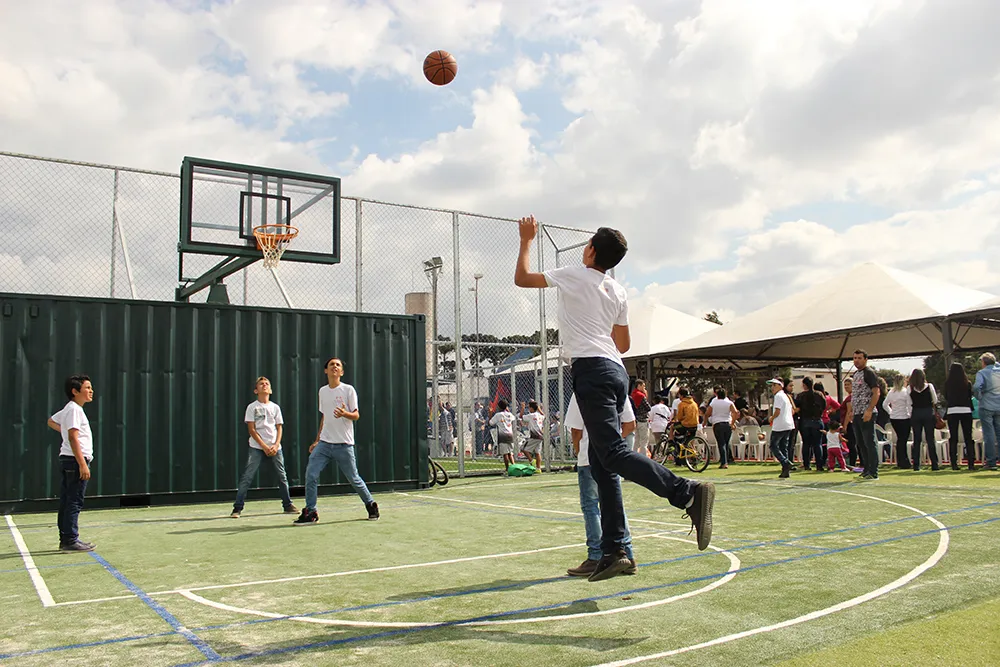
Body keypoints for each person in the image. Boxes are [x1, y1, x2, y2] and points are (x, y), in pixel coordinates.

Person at [514, 215, 715, 583]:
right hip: (615, 368)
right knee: (601, 462)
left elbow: (522, 279)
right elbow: (623, 345)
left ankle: (687, 493)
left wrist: (527, 240)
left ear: (590, 250)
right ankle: (615, 550)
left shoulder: (574, 274)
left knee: (612, 455)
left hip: (592, 369)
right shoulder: (617, 290)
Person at [295, 357, 379, 525]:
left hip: (344, 444)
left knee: (353, 478)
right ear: (326, 371)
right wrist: (317, 440)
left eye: (338, 365)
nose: (334, 367)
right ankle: (311, 512)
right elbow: (324, 417)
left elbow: (356, 415)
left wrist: (344, 414)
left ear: (341, 372)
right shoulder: (322, 391)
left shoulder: (348, 390)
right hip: (324, 444)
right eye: (331, 365)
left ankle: (370, 504)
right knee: (311, 474)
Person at [565, 393, 638, 579]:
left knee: (591, 507)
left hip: (589, 457)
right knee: (615, 504)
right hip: (612, 456)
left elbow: (576, 430)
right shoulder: (616, 388)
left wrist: (580, 452)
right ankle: (627, 555)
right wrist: (611, 442)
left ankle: (596, 556)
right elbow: (630, 424)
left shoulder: (581, 390)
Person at [231, 377, 297, 518]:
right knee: (247, 477)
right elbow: (252, 430)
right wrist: (264, 446)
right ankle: (237, 508)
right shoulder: (252, 407)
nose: (265, 386)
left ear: (271, 390)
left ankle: (288, 505)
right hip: (257, 447)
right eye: (261, 384)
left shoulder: (275, 408)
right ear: (256, 390)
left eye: (267, 384)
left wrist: (275, 444)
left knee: (282, 476)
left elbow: (279, 428)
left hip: (275, 447)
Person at [47, 375, 97, 552]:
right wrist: (82, 464)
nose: (91, 391)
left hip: (69, 460)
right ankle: (70, 540)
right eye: (87, 388)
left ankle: (67, 538)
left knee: (68, 501)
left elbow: (51, 421)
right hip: (75, 461)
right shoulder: (74, 410)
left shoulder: (70, 409)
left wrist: (65, 431)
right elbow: (73, 437)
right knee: (74, 501)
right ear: (75, 391)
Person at [849, 350, 881, 480]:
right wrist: (852, 411)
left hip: (866, 412)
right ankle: (866, 468)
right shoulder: (856, 374)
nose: (856, 360)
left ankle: (873, 471)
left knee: (869, 442)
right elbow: (854, 394)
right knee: (861, 443)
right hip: (857, 413)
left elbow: (876, 392)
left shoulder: (869, 373)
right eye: (855, 358)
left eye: (859, 358)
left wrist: (869, 410)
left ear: (865, 359)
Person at [944, 361, 975, 470]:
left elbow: (946, 397)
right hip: (965, 409)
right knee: (968, 437)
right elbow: (970, 395)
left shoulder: (948, 383)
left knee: (954, 438)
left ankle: (954, 463)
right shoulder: (967, 383)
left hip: (952, 410)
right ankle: (971, 463)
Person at [908, 368, 940, 471]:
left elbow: (909, 403)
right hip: (927, 412)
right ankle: (934, 464)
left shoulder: (910, 388)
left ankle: (916, 465)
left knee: (917, 440)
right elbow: (935, 400)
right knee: (930, 439)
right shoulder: (929, 386)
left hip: (916, 412)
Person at [973, 352, 1000, 471]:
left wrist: (979, 397)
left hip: (987, 405)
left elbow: (976, 387)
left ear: (983, 362)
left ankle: (991, 462)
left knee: (989, 434)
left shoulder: (982, 373)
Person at [795, 377, 828, 471]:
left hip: (805, 421)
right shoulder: (819, 394)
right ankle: (819, 465)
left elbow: (797, 407)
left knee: (806, 444)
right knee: (818, 444)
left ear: (804, 385)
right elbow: (824, 405)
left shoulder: (801, 396)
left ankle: (806, 464)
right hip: (817, 420)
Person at [768, 378, 796, 478]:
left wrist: (771, 418)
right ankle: (785, 470)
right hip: (788, 424)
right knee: (784, 447)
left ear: (780, 386)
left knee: (773, 446)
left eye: (774, 385)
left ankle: (785, 462)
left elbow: (777, 411)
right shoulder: (785, 396)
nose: (772, 388)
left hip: (780, 425)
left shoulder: (778, 396)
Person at [705, 388, 739, 469]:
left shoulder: (714, 402)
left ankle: (724, 462)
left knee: (721, 443)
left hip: (717, 424)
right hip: (727, 423)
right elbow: (735, 412)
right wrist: (733, 422)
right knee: (726, 443)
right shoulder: (729, 402)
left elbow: (707, 413)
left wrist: (704, 422)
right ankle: (726, 460)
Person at [884, 376, 912, 468]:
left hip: (894, 418)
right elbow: (909, 404)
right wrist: (910, 414)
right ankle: (904, 461)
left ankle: (900, 461)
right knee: (903, 439)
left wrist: (891, 412)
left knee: (900, 439)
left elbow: (885, 404)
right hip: (904, 417)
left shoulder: (891, 392)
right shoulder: (905, 392)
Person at [491, 399, 518, 470]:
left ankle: (507, 468)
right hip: (510, 435)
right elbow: (513, 418)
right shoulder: (509, 414)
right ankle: (514, 466)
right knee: (510, 453)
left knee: (505, 454)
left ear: (499, 407)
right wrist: (508, 411)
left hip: (503, 436)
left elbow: (491, 422)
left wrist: (490, 413)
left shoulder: (498, 415)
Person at [630, 380, 652, 456]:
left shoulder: (632, 395)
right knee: (644, 441)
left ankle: (634, 456)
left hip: (635, 420)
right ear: (639, 385)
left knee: (636, 440)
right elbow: (648, 407)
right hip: (643, 420)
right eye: (643, 386)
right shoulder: (641, 396)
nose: (644, 388)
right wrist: (645, 394)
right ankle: (643, 457)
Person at [521, 400, 545, 470]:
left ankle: (532, 461)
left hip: (534, 436)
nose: (528, 409)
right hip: (540, 436)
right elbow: (544, 415)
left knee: (523, 448)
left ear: (531, 408)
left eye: (529, 408)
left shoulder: (531, 415)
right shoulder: (540, 415)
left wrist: (522, 408)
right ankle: (538, 468)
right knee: (537, 453)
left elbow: (521, 417)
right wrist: (539, 409)